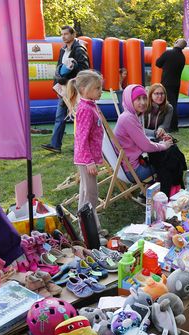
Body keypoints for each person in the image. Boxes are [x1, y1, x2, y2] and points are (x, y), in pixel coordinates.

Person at [114, 84, 187, 196]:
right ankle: (170, 193)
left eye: (144, 98)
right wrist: (164, 145)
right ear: (129, 100)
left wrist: (162, 143)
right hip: (134, 170)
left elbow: (143, 139)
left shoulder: (130, 115)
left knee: (171, 152)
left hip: (134, 162)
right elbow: (146, 146)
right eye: (138, 99)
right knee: (170, 159)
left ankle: (172, 191)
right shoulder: (128, 118)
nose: (143, 102)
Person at [66, 70, 105, 230]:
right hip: (85, 160)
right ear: (83, 89)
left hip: (87, 158)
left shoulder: (90, 106)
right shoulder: (86, 109)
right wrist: (89, 162)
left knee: (85, 193)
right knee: (91, 196)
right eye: (97, 88)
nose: (100, 91)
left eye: (100, 87)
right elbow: (81, 138)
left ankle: (89, 227)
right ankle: (90, 231)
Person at [42, 26, 90, 153]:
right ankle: (55, 145)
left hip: (75, 89)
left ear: (73, 35)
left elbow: (84, 70)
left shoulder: (79, 49)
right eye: (62, 34)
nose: (63, 37)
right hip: (64, 89)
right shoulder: (63, 49)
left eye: (66, 34)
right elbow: (58, 68)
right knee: (60, 116)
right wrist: (57, 85)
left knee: (81, 118)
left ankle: (84, 145)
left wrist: (70, 81)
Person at [155, 39, 186, 132]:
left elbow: (157, 63)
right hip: (176, 84)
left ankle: (172, 126)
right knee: (173, 103)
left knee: (168, 104)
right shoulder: (182, 57)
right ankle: (171, 125)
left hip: (166, 83)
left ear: (175, 43)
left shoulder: (168, 53)